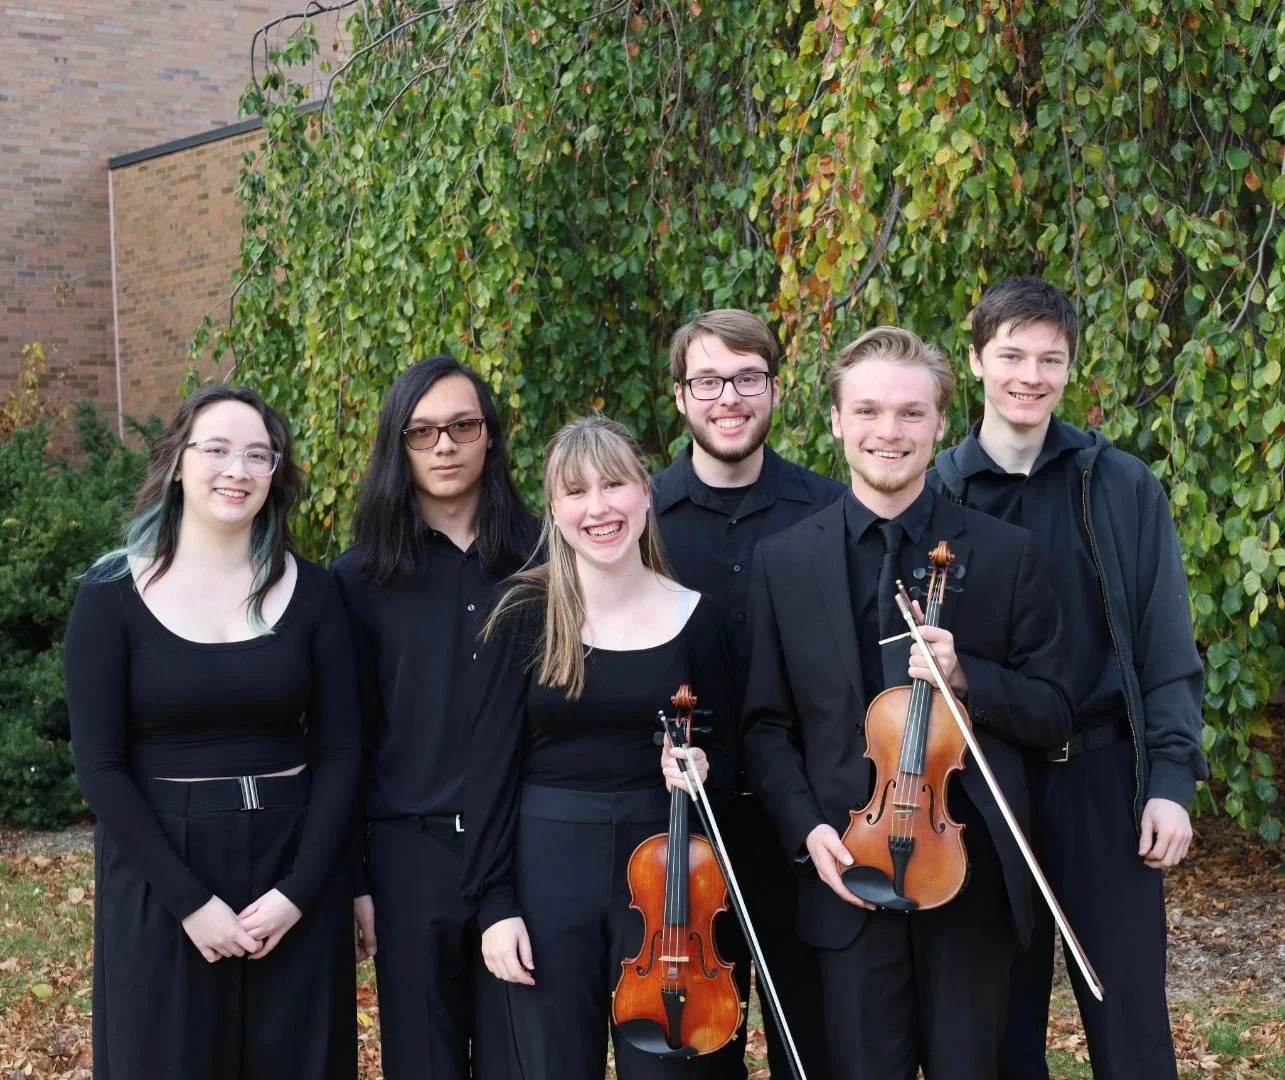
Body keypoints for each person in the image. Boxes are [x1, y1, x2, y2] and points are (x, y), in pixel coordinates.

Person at [742, 327, 1075, 1078]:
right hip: (845, 879)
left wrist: (967, 678)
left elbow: (1054, 710)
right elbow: (765, 727)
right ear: (833, 420)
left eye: (909, 413)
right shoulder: (785, 562)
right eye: (866, 411)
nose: (886, 432)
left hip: (969, 877)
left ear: (937, 423)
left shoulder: (1003, 554)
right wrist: (808, 831)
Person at [930, 277, 1207, 1079]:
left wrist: (1169, 779)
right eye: (1011, 354)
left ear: (1069, 367)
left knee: (1127, 1023)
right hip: (986, 785)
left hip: (1100, 779)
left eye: (1050, 358)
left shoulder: (1118, 485)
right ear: (976, 358)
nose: (1029, 375)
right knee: (999, 1028)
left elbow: (1164, 647)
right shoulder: (938, 489)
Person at [63, 385, 360, 1079]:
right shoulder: (110, 596)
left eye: (259, 454)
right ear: (176, 462)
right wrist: (191, 902)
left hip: (292, 866)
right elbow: (100, 766)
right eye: (218, 449)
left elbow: (343, 750)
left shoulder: (315, 593)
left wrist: (300, 891)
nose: (238, 469)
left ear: (275, 474)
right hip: (164, 869)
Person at [462, 415, 737, 1080]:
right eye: (576, 492)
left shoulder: (697, 617)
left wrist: (705, 767)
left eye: (613, 484)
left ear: (645, 492)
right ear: (554, 510)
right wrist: (495, 908)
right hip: (546, 870)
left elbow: (732, 753)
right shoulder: (521, 615)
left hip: (666, 880)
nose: (598, 508)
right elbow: (488, 773)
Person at [331, 355, 538, 1078]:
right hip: (408, 860)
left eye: (461, 426)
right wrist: (356, 878)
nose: (444, 445)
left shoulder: (547, 560)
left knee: (525, 1059)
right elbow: (344, 737)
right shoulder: (358, 578)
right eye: (422, 432)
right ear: (399, 445)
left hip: (526, 854)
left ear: (490, 437)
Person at [651, 308, 841, 1076]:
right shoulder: (638, 519)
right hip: (682, 827)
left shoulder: (830, 509)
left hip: (805, 817)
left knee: (816, 1044)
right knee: (700, 1050)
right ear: (679, 397)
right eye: (707, 380)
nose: (727, 397)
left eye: (746, 378)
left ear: (774, 387)